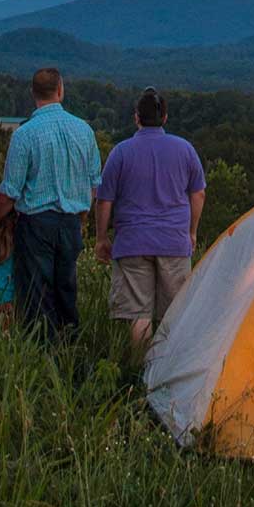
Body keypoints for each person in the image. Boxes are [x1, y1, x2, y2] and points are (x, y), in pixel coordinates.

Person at [93, 88, 206, 357]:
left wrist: (101, 238)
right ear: (164, 117)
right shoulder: (185, 149)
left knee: (139, 315)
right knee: (175, 315)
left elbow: (104, 200)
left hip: (132, 242)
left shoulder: (121, 152)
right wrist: (192, 231)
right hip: (173, 241)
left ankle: (140, 373)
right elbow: (198, 193)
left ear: (136, 118)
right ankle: (170, 370)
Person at [0, 67, 101, 342]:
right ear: (60, 90)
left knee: (36, 293)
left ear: (33, 94)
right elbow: (93, 183)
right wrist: (83, 216)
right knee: (66, 288)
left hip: (36, 224)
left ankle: (42, 352)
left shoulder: (24, 135)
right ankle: (70, 347)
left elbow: (10, 191)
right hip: (71, 221)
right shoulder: (84, 130)